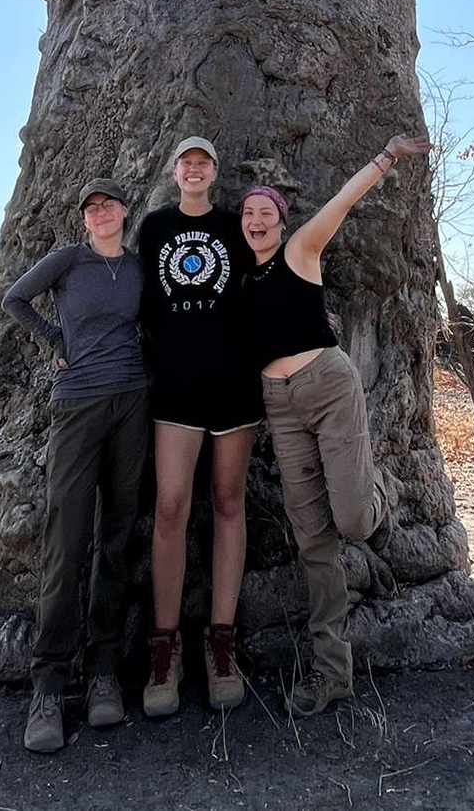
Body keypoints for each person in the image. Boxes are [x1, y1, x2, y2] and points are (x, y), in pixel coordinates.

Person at [239, 133, 433, 717]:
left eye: (265, 212)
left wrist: (388, 155)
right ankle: (332, 673)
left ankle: (381, 496)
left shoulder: (301, 250)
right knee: (312, 541)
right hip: (279, 405)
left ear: (281, 219)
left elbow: (342, 202)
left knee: (350, 519)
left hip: (327, 384)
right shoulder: (237, 283)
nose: (256, 220)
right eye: (248, 213)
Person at [1, 177, 150, 753]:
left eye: (109, 203)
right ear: (85, 218)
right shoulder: (68, 261)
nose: (101, 212)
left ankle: (105, 671)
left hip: (133, 403)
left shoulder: (138, 268)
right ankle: (49, 683)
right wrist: (53, 339)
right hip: (77, 405)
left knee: (116, 535)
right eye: (91, 207)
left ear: (124, 211)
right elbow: (15, 299)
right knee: (66, 540)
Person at [136, 136, 262, 716]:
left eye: (204, 161)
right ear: (174, 170)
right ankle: (166, 647)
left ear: (215, 172)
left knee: (230, 501)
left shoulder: (237, 226)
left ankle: (221, 642)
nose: (193, 168)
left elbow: (267, 279)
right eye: (185, 160)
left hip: (233, 384)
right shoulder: (155, 228)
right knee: (170, 506)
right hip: (176, 388)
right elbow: (138, 303)